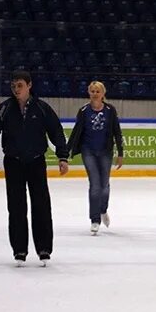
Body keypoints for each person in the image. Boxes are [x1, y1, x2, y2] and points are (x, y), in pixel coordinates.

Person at [0, 70, 68, 266]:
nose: (16, 89)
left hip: (37, 162)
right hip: (13, 163)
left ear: (29, 85)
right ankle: (19, 250)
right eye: (13, 86)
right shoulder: (4, 109)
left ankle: (44, 248)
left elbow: (56, 132)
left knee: (41, 206)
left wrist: (62, 156)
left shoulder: (42, 108)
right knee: (16, 207)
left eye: (20, 85)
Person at [66, 80, 124, 235]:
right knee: (95, 184)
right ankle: (95, 219)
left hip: (105, 151)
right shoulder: (84, 111)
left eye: (98, 91)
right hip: (88, 151)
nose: (95, 94)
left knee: (104, 185)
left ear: (103, 93)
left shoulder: (110, 110)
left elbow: (117, 131)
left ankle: (103, 209)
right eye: (92, 91)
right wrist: (66, 152)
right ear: (89, 93)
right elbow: (76, 131)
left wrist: (120, 152)